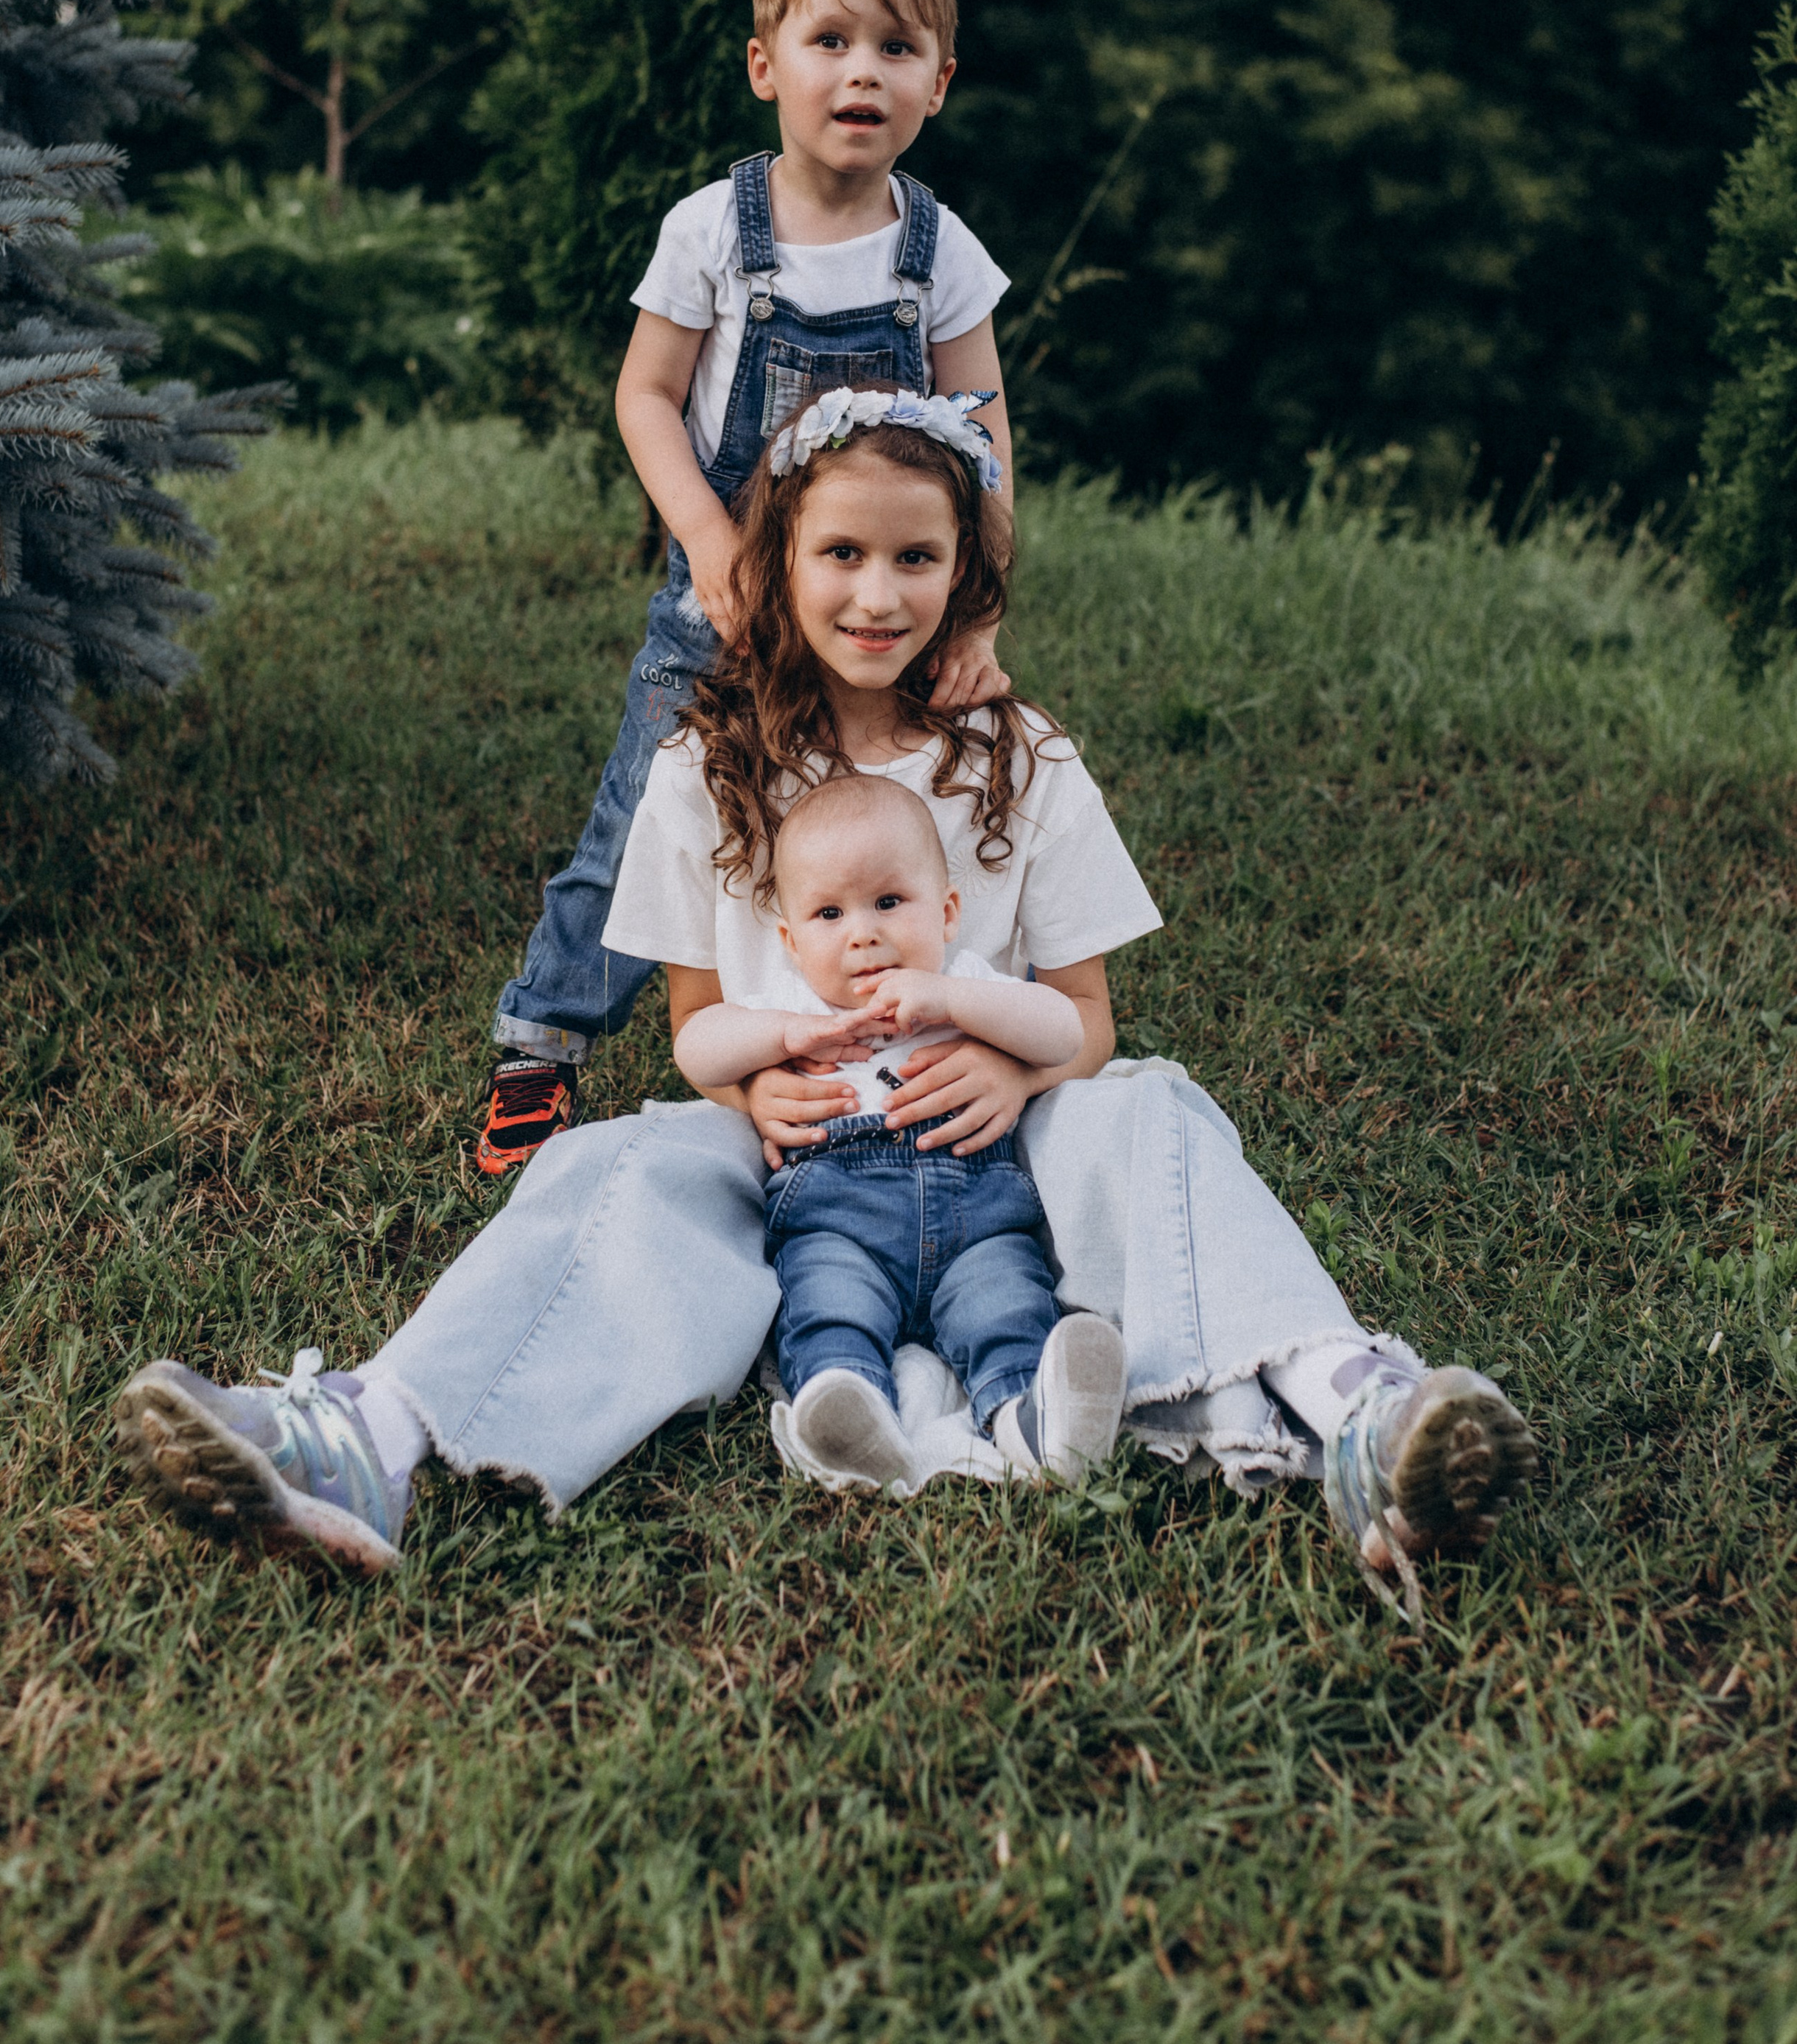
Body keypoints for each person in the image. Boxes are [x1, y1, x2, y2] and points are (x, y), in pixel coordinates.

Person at [114, 396, 1536, 1625]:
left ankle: (1353, 1406)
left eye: (918, 556)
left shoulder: (1022, 757)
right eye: (841, 552)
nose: (878, 592)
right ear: (777, 560)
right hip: (791, 1143)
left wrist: (1015, 1073)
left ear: (966, 571)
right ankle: (370, 1434)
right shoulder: (703, 767)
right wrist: (754, 1092)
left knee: (1151, 1101)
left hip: (1003, 1138)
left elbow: (1087, 1016)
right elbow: (696, 1026)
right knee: (619, 1157)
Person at [475, 0, 1014, 1177]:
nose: (862, 72)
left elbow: (984, 439)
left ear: (939, 83)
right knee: (646, 824)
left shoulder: (940, 253)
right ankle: (543, 1040)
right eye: (831, 41)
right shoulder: (717, 230)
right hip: (723, 604)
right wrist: (711, 544)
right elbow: (645, 397)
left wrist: (979, 616)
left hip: (882, 614)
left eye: (896, 49)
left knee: (886, 816)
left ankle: (912, 1024)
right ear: (767, 66)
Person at [674, 766, 1127, 1491]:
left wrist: (952, 999)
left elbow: (1065, 1030)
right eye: (829, 915)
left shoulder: (968, 984)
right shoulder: (792, 1004)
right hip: (838, 1220)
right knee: (830, 1307)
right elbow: (695, 1047)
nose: (864, 934)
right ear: (791, 939)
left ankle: (1033, 1419)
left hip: (978, 1219)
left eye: (888, 902)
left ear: (946, 913)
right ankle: (850, 1410)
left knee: (1007, 1308)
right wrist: (783, 1035)